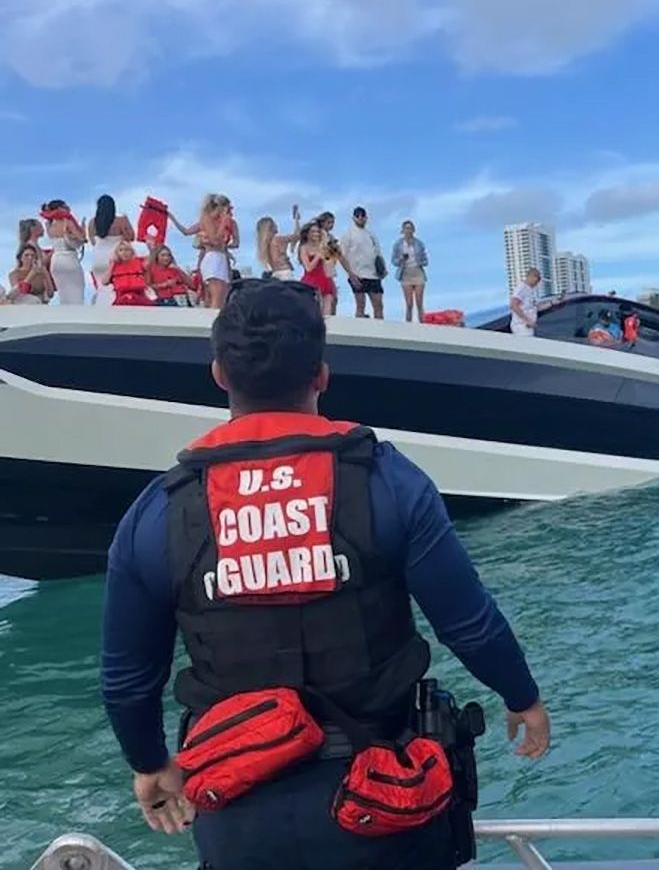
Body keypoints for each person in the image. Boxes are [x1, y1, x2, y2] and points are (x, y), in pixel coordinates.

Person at [100, 279, 550, 869]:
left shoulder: (160, 511)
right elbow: (468, 624)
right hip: (385, 809)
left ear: (219, 375)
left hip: (240, 829)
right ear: (321, 375)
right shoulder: (386, 480)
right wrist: (522, 697)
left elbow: (128, 680)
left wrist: (148, 762)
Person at [169, 194, 239, 310]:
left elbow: (235, 243)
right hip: (212, 257)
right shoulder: (207, 219)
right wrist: (171, 217)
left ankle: (215, 317)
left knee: (223, 295)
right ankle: (212, 319)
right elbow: (211, 239)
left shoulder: (231, 223)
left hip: (222, 258)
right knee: (214, 295)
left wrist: (225, 246)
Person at [89, 194, 136, 306]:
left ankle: (101, 307)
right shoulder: (121, 220)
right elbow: (131, 237)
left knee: (101, 288)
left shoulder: (92, 222)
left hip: (98, 258)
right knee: (115, 288)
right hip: (115, 258)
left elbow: (93, 242)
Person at [342, 206, 385, 319]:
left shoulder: (371, 235)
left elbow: (378, 254)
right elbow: (342, 256)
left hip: (373, 274)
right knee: (361, 305)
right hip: (357, 274)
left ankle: (379, 328)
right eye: (357, 216)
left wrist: (382, 270)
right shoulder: (348, 235)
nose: (360, 218)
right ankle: (359, 328)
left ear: (366, 218)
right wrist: (351, 274)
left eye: (362, 215)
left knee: (378, 305)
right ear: (353, 218)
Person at [42, 200, 86, 304]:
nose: (69, 208)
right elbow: (82, 239)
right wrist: (83, 229)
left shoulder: (49, 224)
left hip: (56, 261)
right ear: (60, 209)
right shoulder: (67, 221)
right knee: (77, 294)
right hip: (69, 258)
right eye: (66, 207)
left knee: (64, 296)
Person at [315, 211, 352, 316]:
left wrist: (349, 271)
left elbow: (339, 255)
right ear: (322, 222)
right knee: (326, 298)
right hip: (320, 268)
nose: (331, 225)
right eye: (329, 222)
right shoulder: (318, 235)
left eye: (332, 223)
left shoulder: (330, 237)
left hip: (329, 267)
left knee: (332, 298)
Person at [391, 220, 428, 322]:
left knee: (419, 302)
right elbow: (394, 261)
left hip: (418, 272)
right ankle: (408, 326)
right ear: (403, 230)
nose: (408, 230)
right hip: (405, 273)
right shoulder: (398, 244)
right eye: (406, 228)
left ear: (413, 230)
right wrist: (401, 259)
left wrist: (421, 261)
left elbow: (425, 260)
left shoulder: (419, 243)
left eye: (410, 228)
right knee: (409, 303)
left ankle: (423, 325)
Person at [298, 221, 336, 316]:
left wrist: (326, 246)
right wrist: (318, 255)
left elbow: (330, 266)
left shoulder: (324, 247)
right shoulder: (304, 248)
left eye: (318, 232)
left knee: (327, 313)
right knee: (313, 312)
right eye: (313, 232)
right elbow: (308, 268)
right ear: (307, 234)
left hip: (325, 280)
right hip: (311, 282)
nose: (316, 234)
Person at [256, 206, 302, 281]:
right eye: (275, 224)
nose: (277, 225)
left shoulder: (266, 244)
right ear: (271, 227)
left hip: (276, 273)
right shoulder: (277, 239)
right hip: (285, 273)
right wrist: (296, 220)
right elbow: (297, 236)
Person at [509, 267, 541, 337]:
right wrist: (527, 320)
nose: (538, 281)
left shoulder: (531, 290)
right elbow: (513, 305)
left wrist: (552, 302)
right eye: (537, 278)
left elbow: (536, 307)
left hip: (528, 326)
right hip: (521, 326)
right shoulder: (522, 287)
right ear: (530, 276)